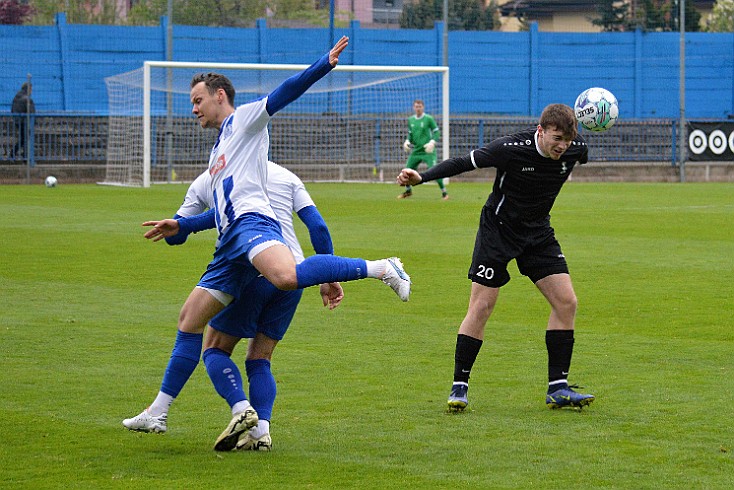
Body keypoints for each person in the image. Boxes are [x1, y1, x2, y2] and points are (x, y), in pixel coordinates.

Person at [125, 36, 410, 450]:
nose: (193, 108)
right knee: (190, 320)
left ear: (219, 95)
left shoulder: (244, 120)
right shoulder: (219, 150)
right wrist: (180, 228)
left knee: (286, 277)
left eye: (197, 99)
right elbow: (216, 214)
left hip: (252, 224)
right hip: (229, 243)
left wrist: (322, 65)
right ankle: (159, 413)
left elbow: (283, 93)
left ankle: (383, 267)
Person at [123, 163, 344, 453]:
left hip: (252, 272)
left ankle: (239, 408)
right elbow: (318, 227)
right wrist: (327, 277)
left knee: (214, 348)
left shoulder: (210, 179)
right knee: (260, 358)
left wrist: (180, 227)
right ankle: (261, 433)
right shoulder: (286, 176)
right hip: (294, 274)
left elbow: (176, 234)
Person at [397, 103, 595, 412]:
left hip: (538, 233)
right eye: (556, 138)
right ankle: (459, 387)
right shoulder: (510, 148)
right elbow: (463, 162)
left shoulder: (576, 148)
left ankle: (558, 388)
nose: (562, 146)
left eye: (567, 140)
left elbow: (579, 151)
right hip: (498, 231)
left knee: (566, 302)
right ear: (540, 131)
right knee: (482, 305)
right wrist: (421, 179)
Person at [398, 99, 447, 200]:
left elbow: (437, 132)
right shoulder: (411, 120)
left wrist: (432, 142)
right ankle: (408, 191)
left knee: (435, 171)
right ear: (413, 107)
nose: (418, 108)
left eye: (420, 106)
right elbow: (410, 135)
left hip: (427, 151)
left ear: (423, 107)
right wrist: (407, 141)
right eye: (416, 106)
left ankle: (444, 193)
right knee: (407, 171)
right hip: (416, 151)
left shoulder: (428, 118)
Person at [10, 82, 35, 160]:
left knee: (23, 139)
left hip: (18, 121)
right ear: (28, 89)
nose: (32, 91)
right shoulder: (27, 99)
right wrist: (34, 122)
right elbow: (32, 112)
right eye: (31, 89)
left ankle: (14, 154)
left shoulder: (16, 97)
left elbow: (12, 110)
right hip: (25, 122)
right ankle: (25, 157)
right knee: (26, 139)